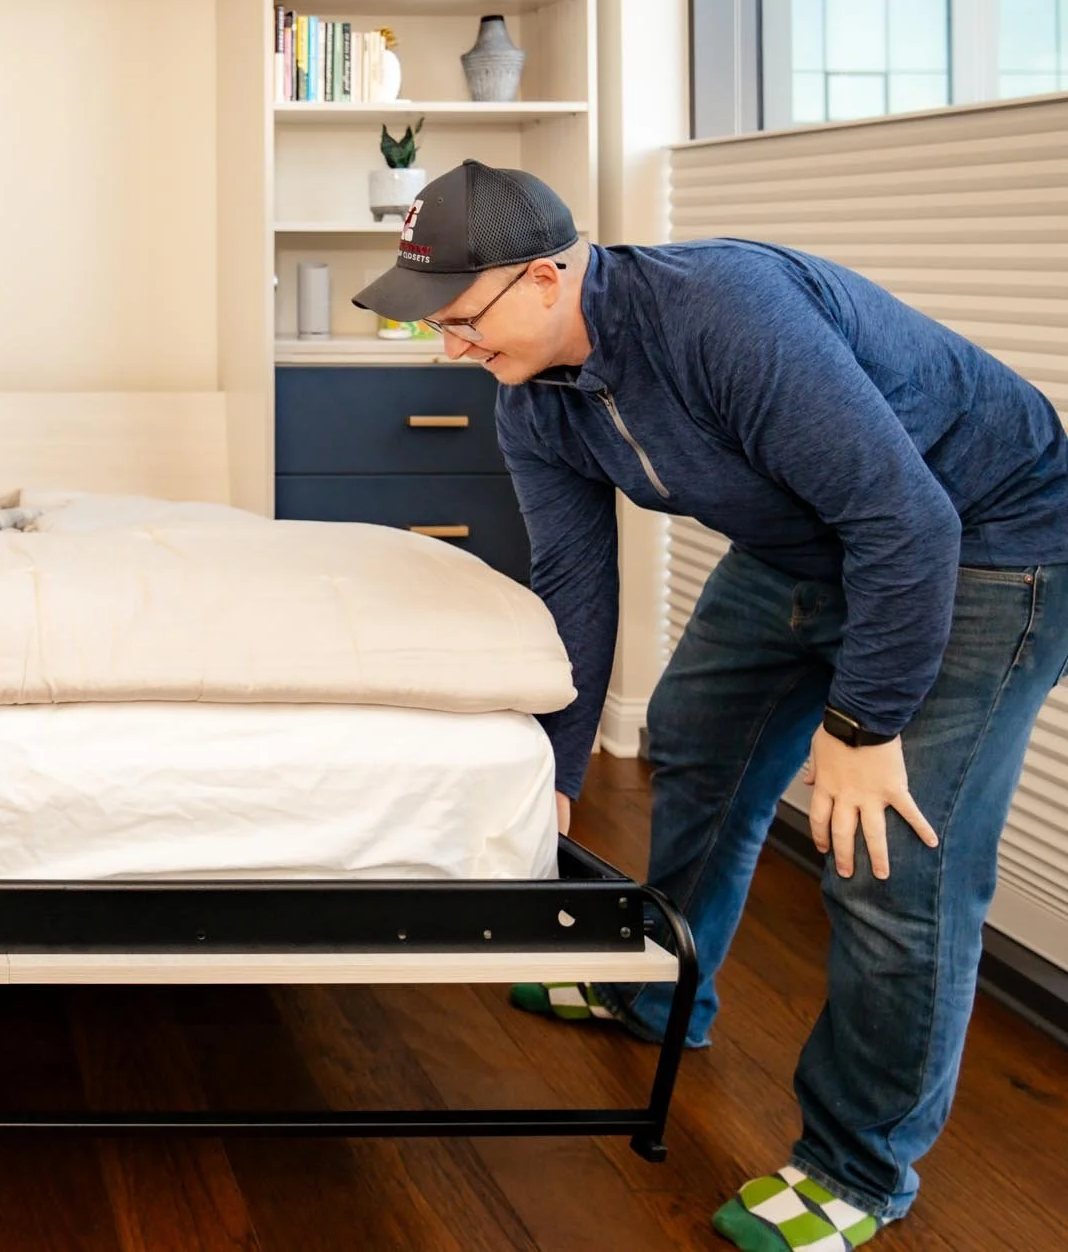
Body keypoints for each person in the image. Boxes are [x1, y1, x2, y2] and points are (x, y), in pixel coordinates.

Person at [353, 160, 1068, 1251]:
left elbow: (906, 522)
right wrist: (551, 773)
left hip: (982, 544)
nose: (451, 347)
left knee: (885, 857)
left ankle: (855, 1166)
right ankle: (653, 991)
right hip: (807, 543)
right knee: (693, 743)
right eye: (431, 329)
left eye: (459, 319)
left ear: (544, 278)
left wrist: (862, 728)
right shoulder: (531, 397)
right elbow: (574, 588)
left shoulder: (722, 317)